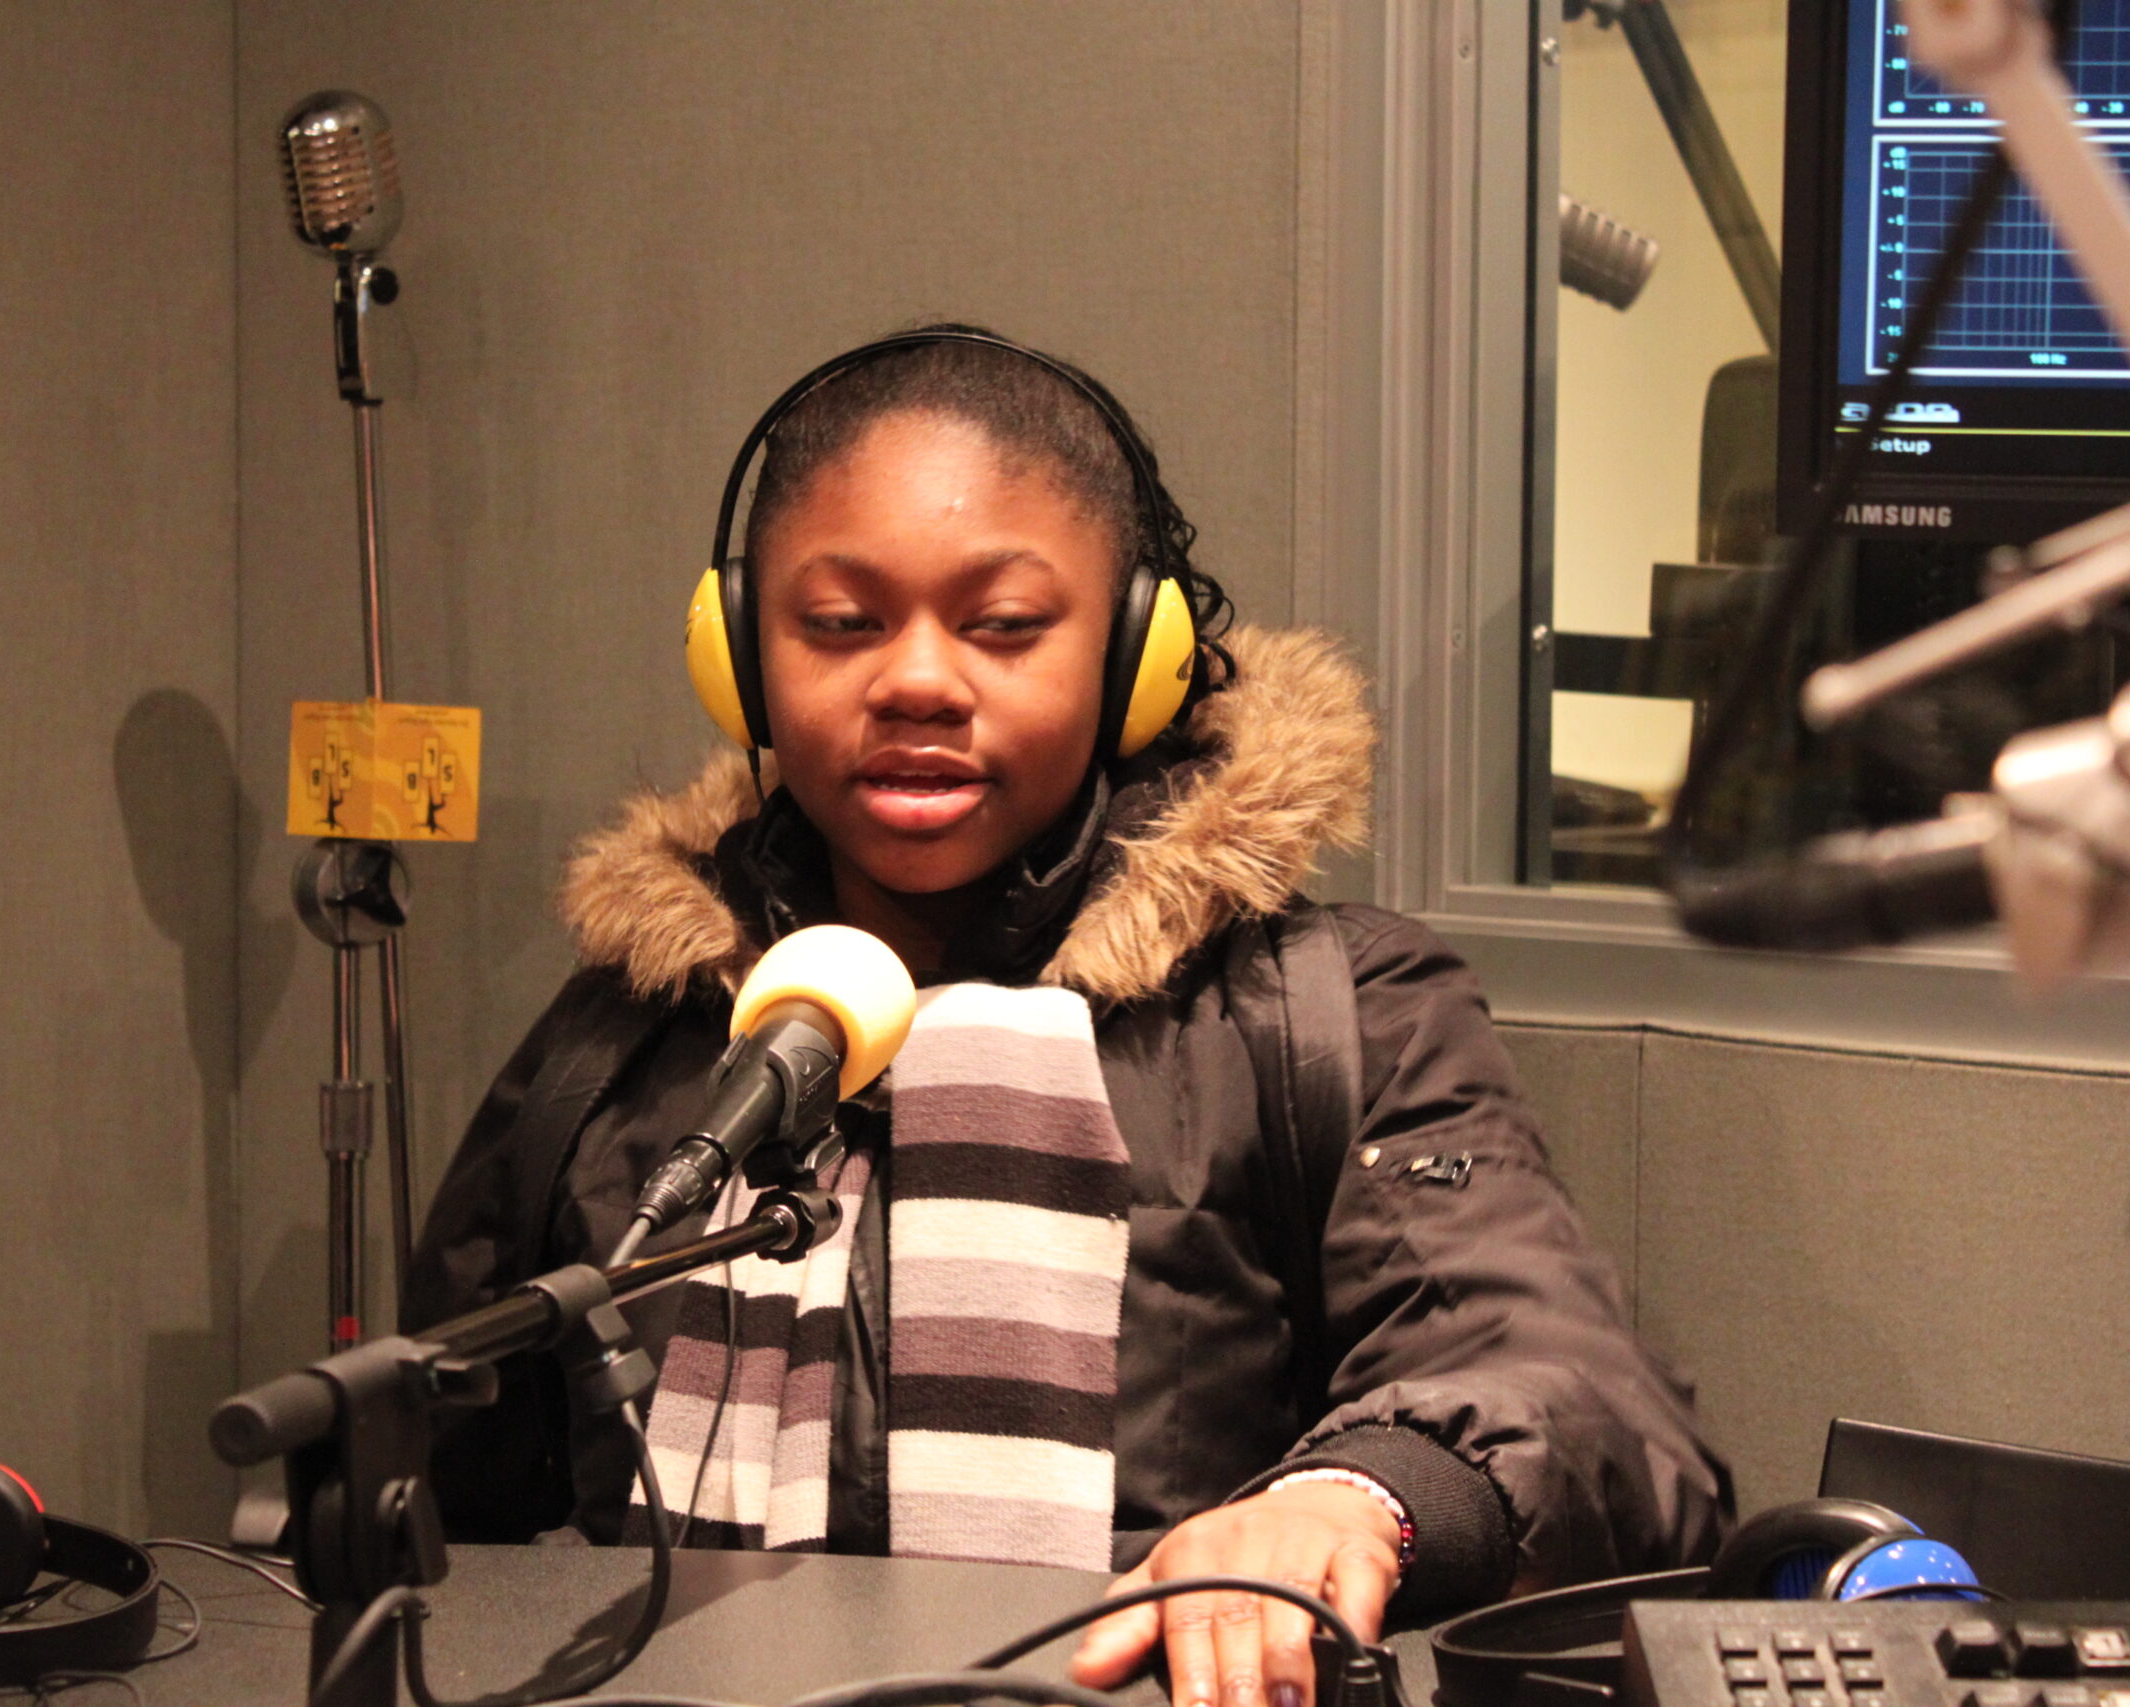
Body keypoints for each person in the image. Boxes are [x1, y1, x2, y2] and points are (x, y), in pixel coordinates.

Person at [406, 327, 1730, 1707]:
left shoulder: (1327, 1013)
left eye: (1003, 625)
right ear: (739, 655)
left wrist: (1349, 1500)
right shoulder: (625, 1033)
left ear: (1137, 658)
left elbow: (1581, 1400)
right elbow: (455, 1496)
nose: (916, 681)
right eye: (842, 623)